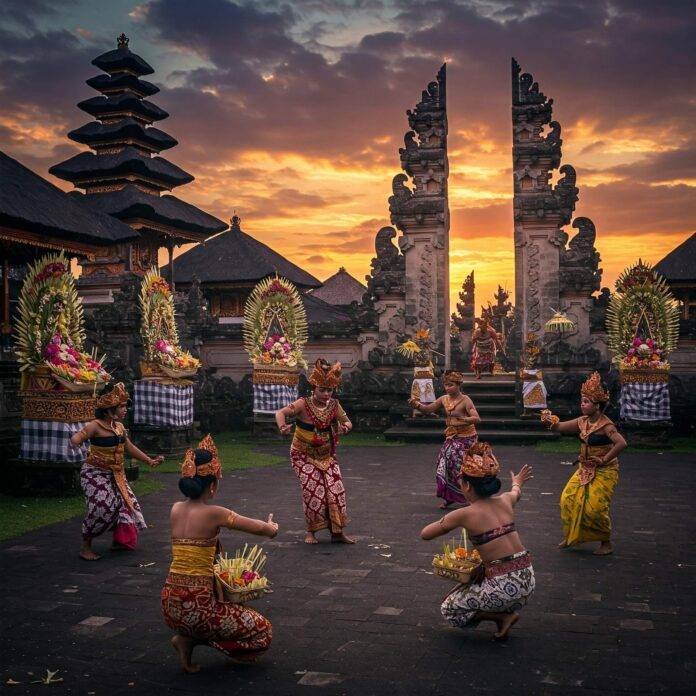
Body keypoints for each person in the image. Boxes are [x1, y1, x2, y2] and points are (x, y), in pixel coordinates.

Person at [161, 435, 277, 673]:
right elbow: (258, 528)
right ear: (212, 486)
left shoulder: (175, 509)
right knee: (263, 631)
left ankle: (187, 638)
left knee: (218, 611)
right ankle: (193, 637)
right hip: (198, 609)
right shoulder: (215, 513)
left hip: (170, 606)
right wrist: (272, 528)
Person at [421, 442, 535, 640]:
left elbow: (425, 534)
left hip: (505, 588)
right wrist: (517, 481)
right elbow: (516, 492)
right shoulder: (506, 500)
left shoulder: (464, 514)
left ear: (466, 485)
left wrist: (449, 520)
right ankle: (503, 611)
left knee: (449, 608)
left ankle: (502, 616)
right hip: (528, 579)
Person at [70, 382, 163, 561]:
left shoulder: (119, 427)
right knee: (101, 507)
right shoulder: (95, 425)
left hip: (116, 474)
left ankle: (119, 541)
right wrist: (75, 440)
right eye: (121, 406)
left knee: (125, 505)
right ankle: (85, 546)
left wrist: (149, 460)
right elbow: (79, 436)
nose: (125, 409)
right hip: (94, 473)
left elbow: (129, 447)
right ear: (109, 410)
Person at [541, 371, 627, 556]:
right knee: (567, 499)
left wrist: (604, 459)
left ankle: (606, 542)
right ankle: (572, 536)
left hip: (605, 470)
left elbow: (621, 443)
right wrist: (550, 420)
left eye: (586, 402)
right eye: (582, 401)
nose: (582, 404)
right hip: (585, 468)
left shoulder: (606, 426)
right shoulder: (582, 421)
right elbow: (560, 427)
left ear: (597, 406)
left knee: (595, 507)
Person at [275, 358, 354, 544]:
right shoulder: (303, 403)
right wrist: (282, 427)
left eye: (329, 390)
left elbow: (347, 421)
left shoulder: (334, 405)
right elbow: (280, 413)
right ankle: (311, 532)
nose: (326, 394)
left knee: (336, 491)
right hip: (303, 455)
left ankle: (337, 532)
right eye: (322, 390)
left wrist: (346, 428)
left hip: (327, 455)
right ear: (314, 388)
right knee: (314, 492)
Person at [409, 370, 481, 509]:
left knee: (457, 465)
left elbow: (477, 418)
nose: (448, 388)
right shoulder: (444, 398)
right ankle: (450, 497)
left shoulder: (466, 400)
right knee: (443, 464)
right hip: (452, 437)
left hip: (467, 438)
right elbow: (429, 409)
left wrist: (463, 420)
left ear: (458, 385)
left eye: (451, 385)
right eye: (446, 385)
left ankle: (467, 496)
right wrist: (417, 405)